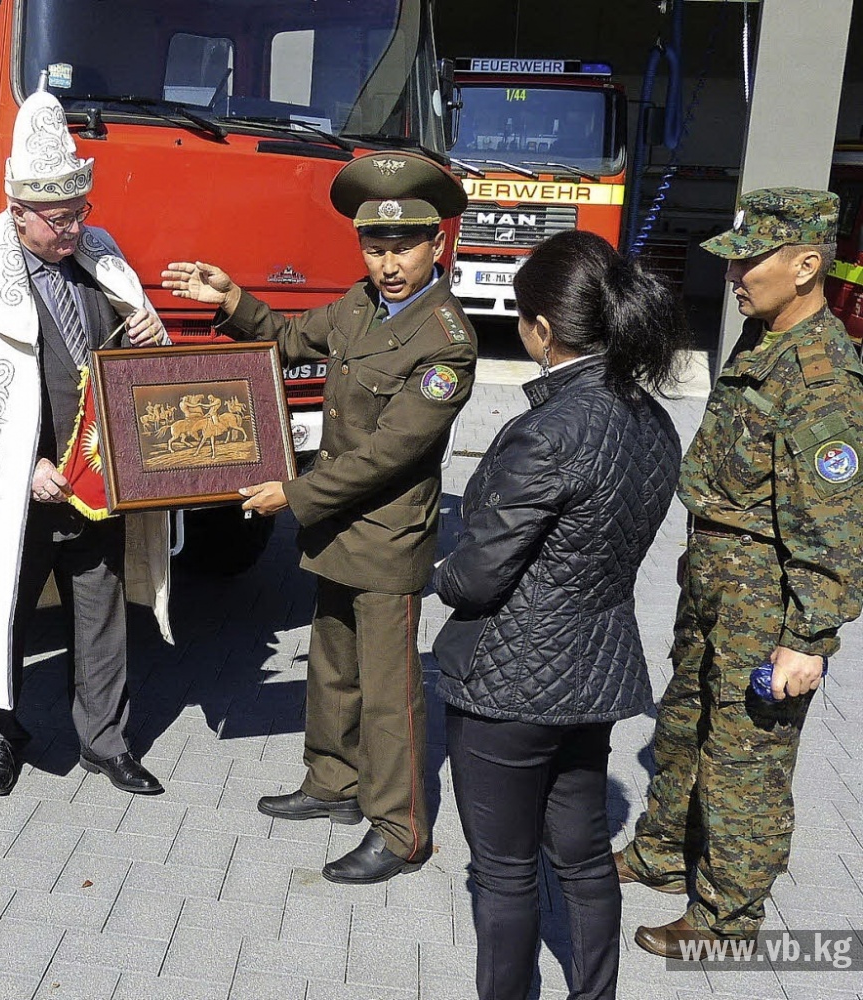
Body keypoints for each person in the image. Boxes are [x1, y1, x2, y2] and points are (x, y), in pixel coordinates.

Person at [162, 150, 477, 884]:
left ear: (438, 245)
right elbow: (288, 338)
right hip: (339, 530)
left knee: (391, 692)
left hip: (386, 535)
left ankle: (400, 830)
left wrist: (291, 494)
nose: (389, 263)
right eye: (375, 247)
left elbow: (389, 454)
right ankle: (332, 783)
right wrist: (232, 296)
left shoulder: (446, 342)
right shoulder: (358, 305)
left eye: (403, 247)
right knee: (333, 667)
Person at [0, 84, 172, 798]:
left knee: (103, 611)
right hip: (20, 485)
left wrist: (149, 333)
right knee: (0, 608)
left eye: (79, 212)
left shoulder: (100, 254)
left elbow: (144, 359)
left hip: (97, 481)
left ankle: (106, 743)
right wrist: (11, 465)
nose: (74, 228)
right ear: (19, 211)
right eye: (58, 218)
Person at [432, 229, 690, 1000]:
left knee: (505, 870)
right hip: (599, 664)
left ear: (541, 328)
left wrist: (439, 574)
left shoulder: (548, 430)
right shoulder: (653, 418)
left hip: (511, 679)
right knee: (579, 855)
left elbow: (478, 578)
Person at [615, 188, 863, 957]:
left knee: (745, 760)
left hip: (768, 596)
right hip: (717, 575)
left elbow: (835, 524)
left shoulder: (822, 376)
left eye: (751, 261)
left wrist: (807, 639)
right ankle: (661, 853)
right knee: (684, 721)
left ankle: (726, 921)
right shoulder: (764, 339)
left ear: (806, 265)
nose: (735, 275)